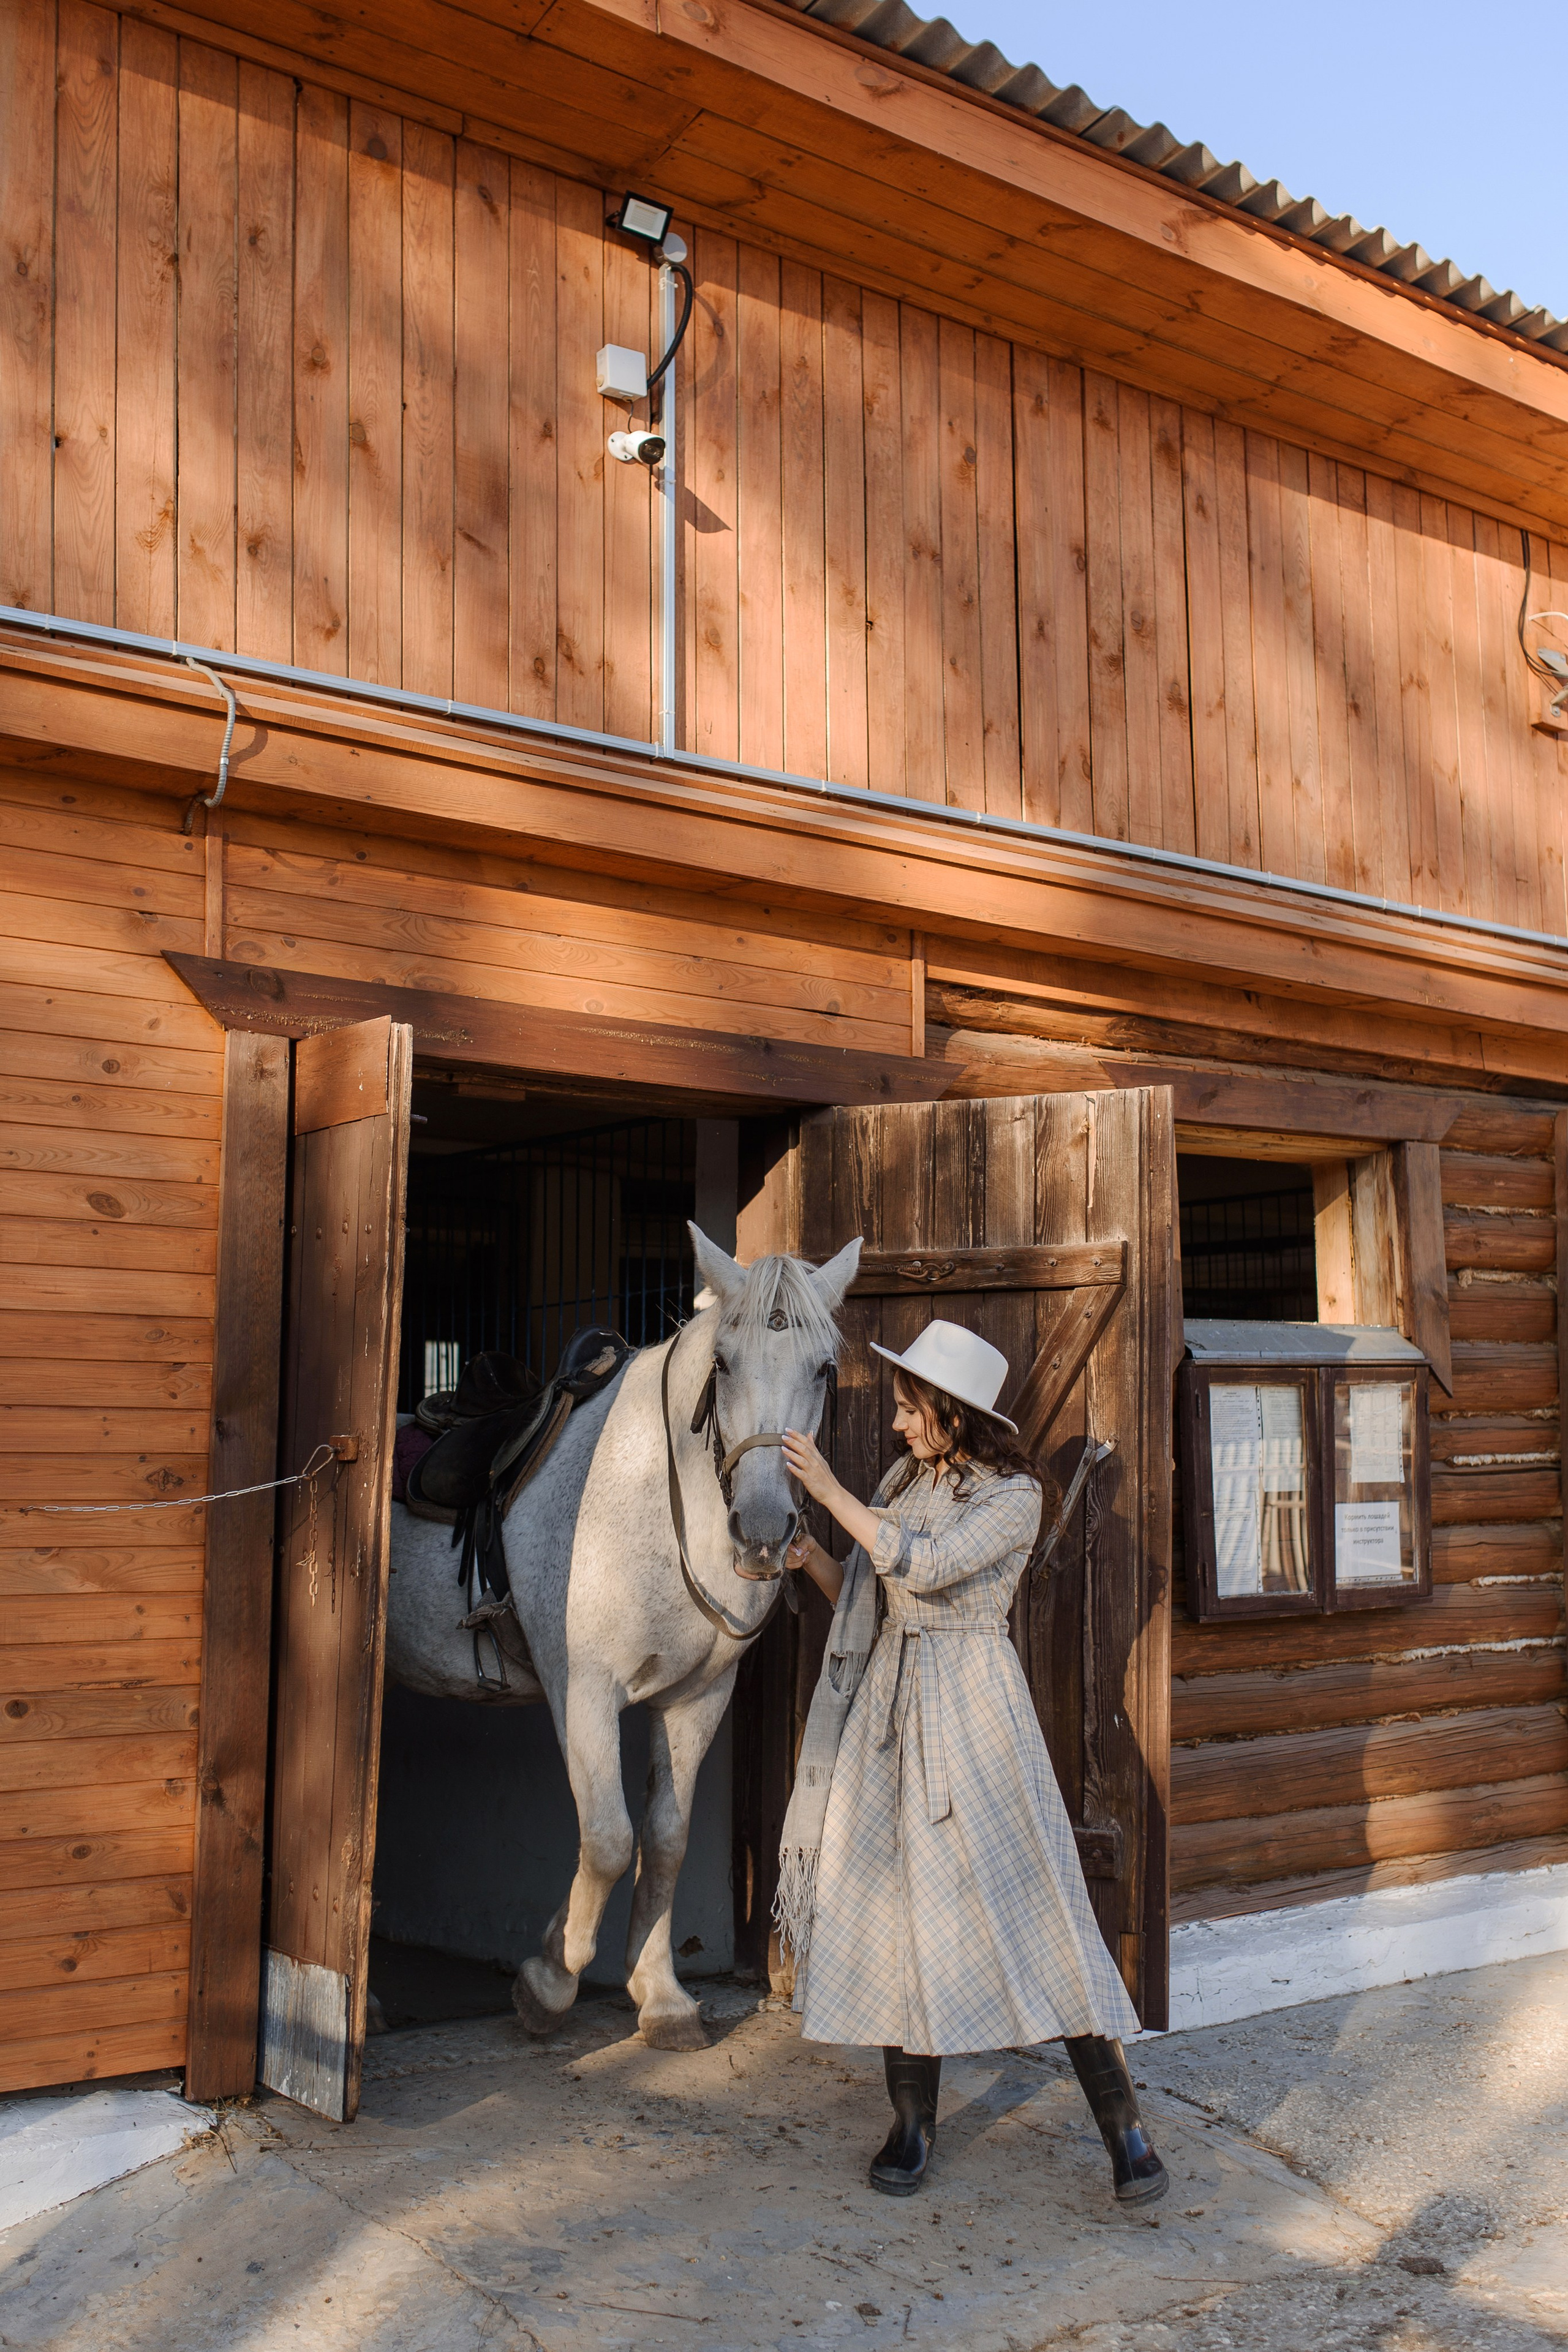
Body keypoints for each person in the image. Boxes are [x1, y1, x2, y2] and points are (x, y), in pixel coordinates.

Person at [777, 1318, 1168, 2206]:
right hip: (891, 1707)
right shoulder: (899, 1482)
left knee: (1042, 1915)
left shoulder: (1012, 1498)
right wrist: (807, 1558)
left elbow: (931, 1565)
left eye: (913, 1410)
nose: (899, 1426)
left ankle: (1125, 2131)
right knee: (894, 1919)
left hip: (975, 1711)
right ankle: (912, 2126)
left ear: (955, 1414)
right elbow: (871, 1596)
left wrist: (834, 1495)